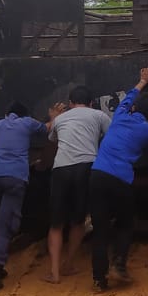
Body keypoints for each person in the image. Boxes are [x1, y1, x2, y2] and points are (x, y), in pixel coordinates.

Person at [88, 66, 148, 291]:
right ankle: (119, 263)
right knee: (126, 223)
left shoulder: (119, 116)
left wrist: (142, 81)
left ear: (134, 109)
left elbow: (128, 98)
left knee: (99, 229)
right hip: (120, 179)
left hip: (97, 174)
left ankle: (99, 279)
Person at [0, 93, 50, 294]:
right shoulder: (26, 123)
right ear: (22, 115)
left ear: (8, 113)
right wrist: (54, 116)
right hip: (15, 177)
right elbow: (47, 129)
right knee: (7, 224)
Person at [44, 84, 110, 284]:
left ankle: (54, 272)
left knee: (56, 224)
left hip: (61, 169)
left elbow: (52, 139)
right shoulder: (99, 116)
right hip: (86, 167)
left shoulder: (60, 119)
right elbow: (110, 137)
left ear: (70, 103)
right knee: (78, 220)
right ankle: (69, 263)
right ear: (91, 103)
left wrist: (54, 117)